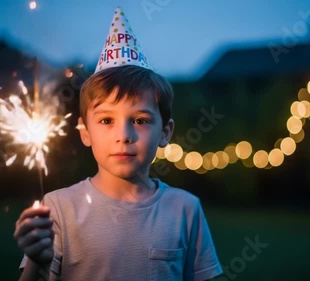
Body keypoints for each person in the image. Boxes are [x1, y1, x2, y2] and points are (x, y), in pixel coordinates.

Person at [14, 6, 222, 281]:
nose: (124, 135)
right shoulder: (58, 207)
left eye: (140, 120)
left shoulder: (185, 209)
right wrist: (37, 265)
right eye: (106, 121)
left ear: (165, 132)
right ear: (84, 132)